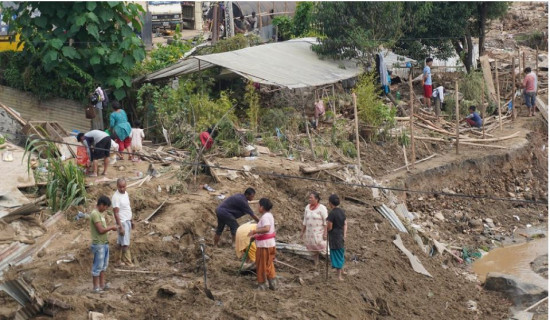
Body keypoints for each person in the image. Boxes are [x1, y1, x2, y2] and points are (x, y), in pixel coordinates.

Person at [89, 195, 118, 293]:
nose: (105, 209)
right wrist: (111, 228)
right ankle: (96, 287)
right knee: (98, 266)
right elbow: (101, 230)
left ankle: (102, 285)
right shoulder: (95, 214)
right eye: (105, 207)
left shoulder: (100, 214)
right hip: (99, 244)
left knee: (103, 266)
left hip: (104, 243)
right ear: (101, 205)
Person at [248, 198, 277, 290]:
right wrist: (256, 236)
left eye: (258, 205)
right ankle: (273, 283)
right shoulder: (269, 215)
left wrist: (254, 232)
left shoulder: (265, 217)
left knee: (261, 264)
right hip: (270, 244)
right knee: (269, 264)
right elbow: (267, 232)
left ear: (262, 207)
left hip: (264, 245)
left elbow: (266, 229)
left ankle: (262, 285)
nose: (257, 207)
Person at [301, 191, 328, 266]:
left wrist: (325, 233)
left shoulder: (322, 208)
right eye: (309, 198)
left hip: (319, 232)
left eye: (311, 198)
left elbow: (326, 221)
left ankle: (331, 261)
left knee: (322, 248)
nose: (309, 199)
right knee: (313, 249)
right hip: (310, 233)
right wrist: (302, 232)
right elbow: (305, 221)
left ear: (316, 199)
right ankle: (316, 262)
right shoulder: (307, 207)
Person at [112, 178, 134, 267]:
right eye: (120, 187)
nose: (122, 189)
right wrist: (120, 227)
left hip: (127, 220)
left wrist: (131, 220)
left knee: (121, 242)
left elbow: (127, 208)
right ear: (117, 186)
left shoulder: (126, 194)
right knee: (125, 243)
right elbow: (116, 213)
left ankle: (117, 261)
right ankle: (128, 262)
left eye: (124, 187)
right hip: (122, 222)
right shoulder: (116, 197)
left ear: (126, 186)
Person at [325, 194, 347, 281]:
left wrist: (326, 230)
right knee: (341, 253)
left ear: (330, 203)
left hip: (334, 236)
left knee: (337, 254)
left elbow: (329, 226)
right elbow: (345, 223)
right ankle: (342, 270)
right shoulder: (342, 211)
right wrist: (344, 234)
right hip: (340, 235)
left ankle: (339, 276)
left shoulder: (332, 213)